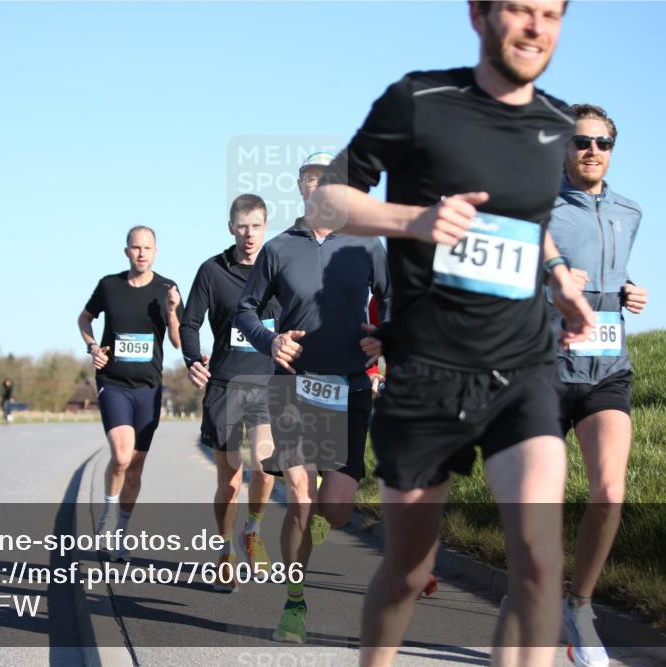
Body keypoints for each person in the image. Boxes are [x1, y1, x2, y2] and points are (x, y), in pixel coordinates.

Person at [305, 2, 596, 665]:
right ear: (478, 15)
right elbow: (327, 200)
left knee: (539, 564)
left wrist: (559, 278)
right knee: (408, 568)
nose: (535, 27)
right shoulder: (419, 100)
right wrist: (414, 219)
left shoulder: (555, 123)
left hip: (522, 366)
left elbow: (526, 220)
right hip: (425, 372)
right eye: (520, 9)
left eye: (550, 13)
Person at [235, 151, 391, 643]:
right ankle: (294, 605)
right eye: (311, 178)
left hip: (350, 387)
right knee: (300, 497)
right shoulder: (279, 249)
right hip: (294, 387)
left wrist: (386, 335)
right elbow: (245, 309)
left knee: (336, 508)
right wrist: (270, 341)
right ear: (301, 187)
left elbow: (396, 299)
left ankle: (326, 518)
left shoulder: (366, 245)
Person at [549, 103, 647, 667]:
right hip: (544, 370)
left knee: (610, 493)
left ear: (612, 149)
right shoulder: (537, 209)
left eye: (602, 143)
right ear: (564, 148)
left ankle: (579, 607)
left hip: (607, 366)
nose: (592, 151)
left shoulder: (630, 211)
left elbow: (609, 271)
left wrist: (630, 289)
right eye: (581, 141)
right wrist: (552, 284)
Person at [180, 194, 280, 592]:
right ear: (230, 227)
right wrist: (192, 359)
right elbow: (190, 323)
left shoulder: (279, 270)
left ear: (265, 227)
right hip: (224, 384)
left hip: (268, 383)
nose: (249, 234)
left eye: (256, 226)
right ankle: (225, 550)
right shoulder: (212, 271)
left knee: (265, 464)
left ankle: (252, 532)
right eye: (242, 226)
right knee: (229, 480)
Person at [78, 226, 184, 562]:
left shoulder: (168, 289)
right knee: (121, 457)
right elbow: (85, 318)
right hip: (114, 382)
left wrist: (171, 311)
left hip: (149, 388)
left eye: (147, 248)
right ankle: (108, 517)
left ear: (156, 252)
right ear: (126, 251)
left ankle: (122, 532)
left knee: (135, 468)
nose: (141, 253)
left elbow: (179, 342)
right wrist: (92, 346)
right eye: (135, 248)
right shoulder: (110, 285)